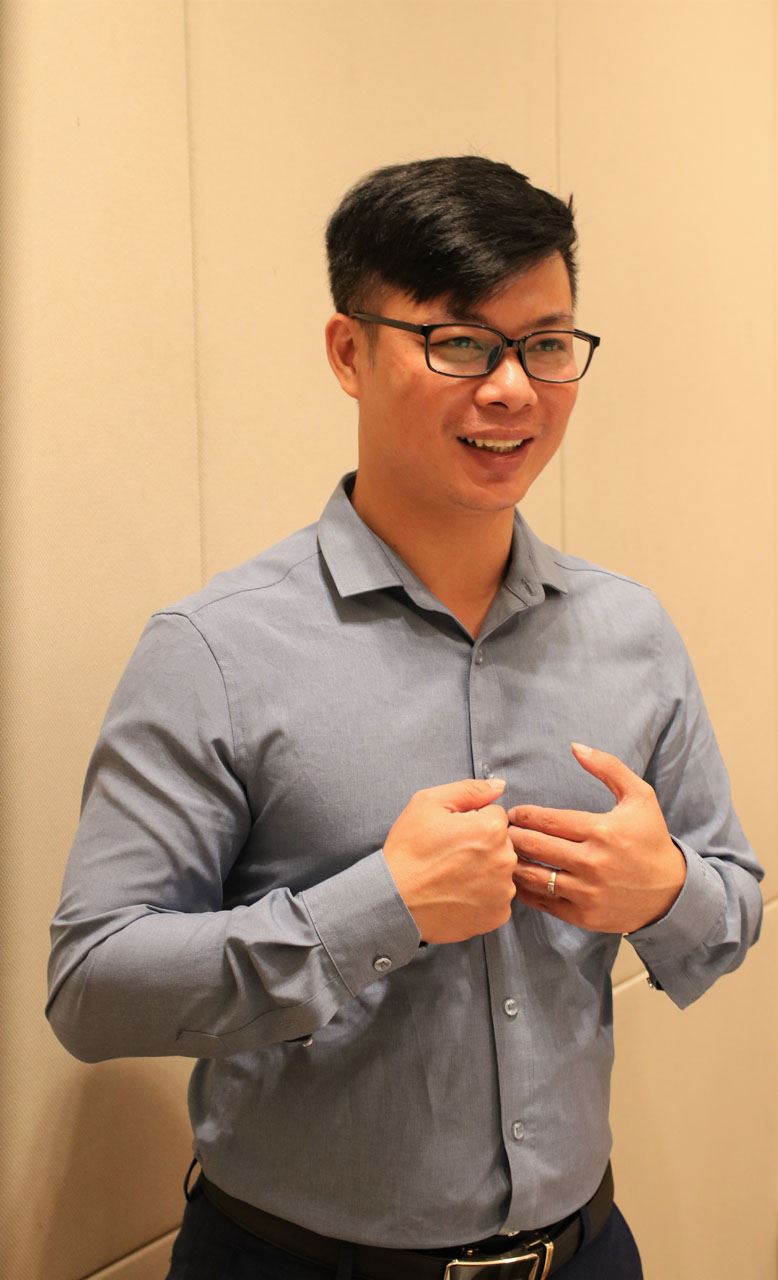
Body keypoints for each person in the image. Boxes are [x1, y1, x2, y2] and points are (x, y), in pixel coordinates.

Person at [47, 156, 764, 1280]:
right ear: (349, 352)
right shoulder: (214, 650)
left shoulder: (631, 630)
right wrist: (377, 910)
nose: (512, 389)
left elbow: (733, 903)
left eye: (546, 344)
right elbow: (92, 986)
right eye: (460, 342)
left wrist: (667, 888)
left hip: (584, 1250)